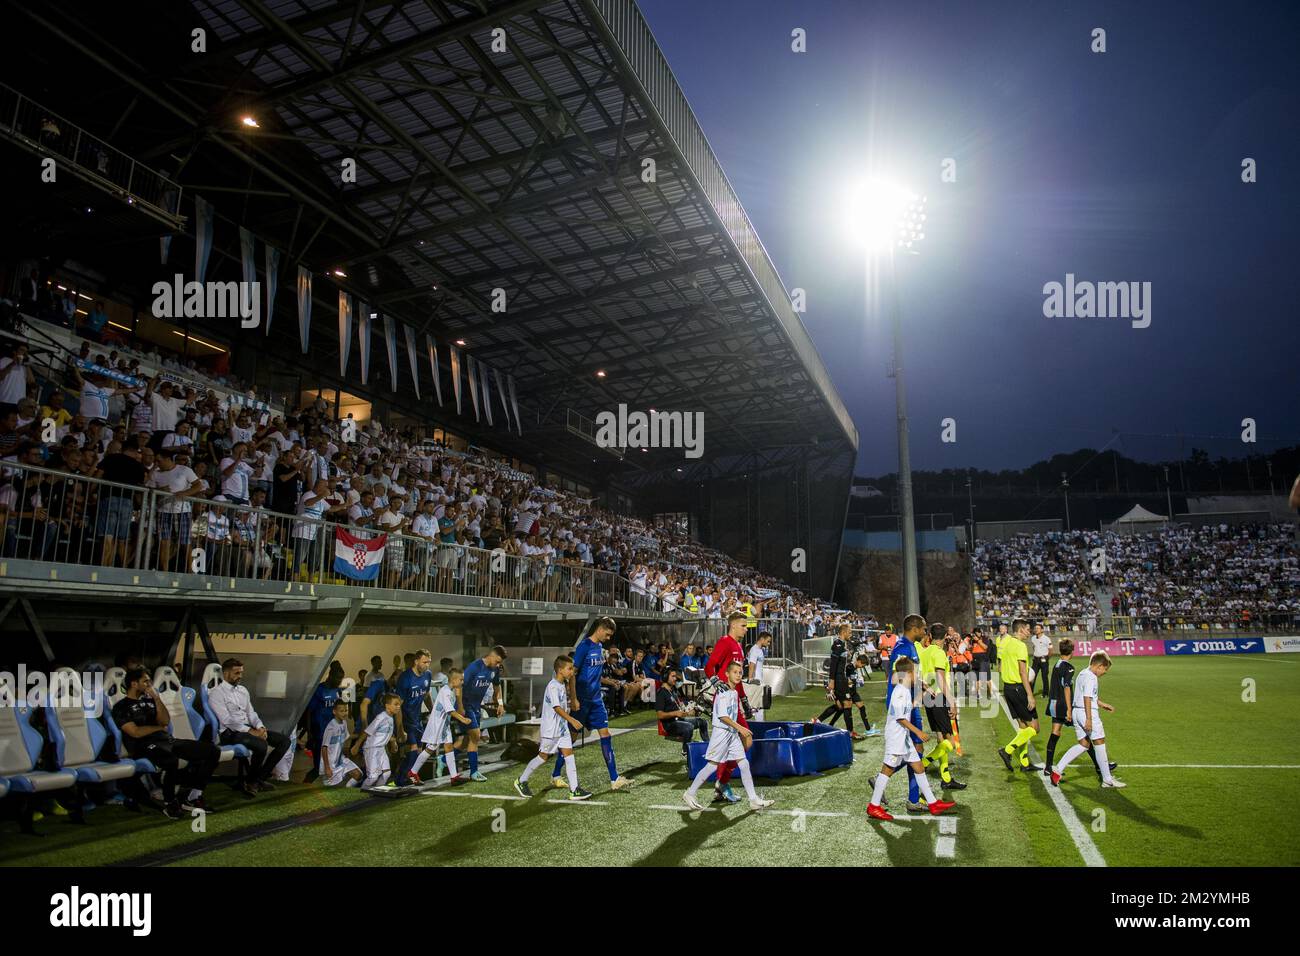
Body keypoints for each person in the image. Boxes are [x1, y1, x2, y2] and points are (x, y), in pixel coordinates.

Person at [111, 666, 221, 819]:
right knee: (170, 761)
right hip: (143, 746)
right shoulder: (121, 707)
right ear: (134, 684)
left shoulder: (151, 701)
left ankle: (193, 796)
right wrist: (157, 728)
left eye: (150, 681)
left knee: (213, 751)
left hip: (166, 740)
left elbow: (165, 721)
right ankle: (170, 803)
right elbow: (135, 732)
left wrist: (157, 698)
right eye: (146, 682)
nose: (149, 685)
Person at [866, 658, 956, 821]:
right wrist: (919, 733)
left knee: (919, 767)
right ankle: (874, 806)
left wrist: (924, 691)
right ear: (908, 674)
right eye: (914, 672)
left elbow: (912, 706)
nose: (917, 675)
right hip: (896, 737)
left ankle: (933, 803)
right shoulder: (900, 692)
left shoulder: (904, 690)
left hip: (904, 738)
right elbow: (901, 718)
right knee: (887, 770)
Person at [550, 617, 633, 791]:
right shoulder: (584, 647)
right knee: (570, 739)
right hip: (582, 702)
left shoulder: (599, 648)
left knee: (606, 735)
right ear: (601, 629)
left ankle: (614, 779)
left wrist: (608, 681)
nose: (609, 638)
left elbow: (594, 674)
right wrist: (573, 699)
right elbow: (573, 674)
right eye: (608, 634)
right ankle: (556, 774)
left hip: (596, 701)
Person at [682, 661, 773, 812]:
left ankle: (753, 800)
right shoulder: (723, 692)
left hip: (731, 734)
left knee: (744, 764)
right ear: (727, 674)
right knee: (712, 766)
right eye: (735, 672)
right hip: (722, 734)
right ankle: (690, 793)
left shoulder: (735, 692)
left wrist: (740, 725)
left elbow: (733, 714)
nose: (738, 675)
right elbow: (723, 717)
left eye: (740, 672)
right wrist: (741, 729)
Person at [513, 655, 593, 800]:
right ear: (560, 670)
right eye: (569, 669)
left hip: (561, 729)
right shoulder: (553, 686)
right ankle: (521, 780)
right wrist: (572, 720)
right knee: (542, 757)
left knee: (569, 756)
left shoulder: (562, 684)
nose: (572, 672)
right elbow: (556, 708)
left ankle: (574, 790)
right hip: (551, 730)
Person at [207, 658, 291, 794]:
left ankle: (257, 780)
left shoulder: (242, 690)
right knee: (261, 745)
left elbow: (250, 712)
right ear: (226, 673)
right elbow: (227, 720)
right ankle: (252, 782)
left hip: (248, 729)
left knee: (284, 742)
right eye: (236, 673)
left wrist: (260, 727)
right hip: (230, 733)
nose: (240, 676)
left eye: (241, 672)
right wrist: (251, 731)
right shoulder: (216, 693)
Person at [1050, 651, 1127, 789]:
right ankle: (1107, 780)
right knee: (1099, 742)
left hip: (1076, 712)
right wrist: (1089, 719)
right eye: (1105, 669)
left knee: (1083, 745)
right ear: (1099, 666)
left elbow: (1087, 696)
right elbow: (1087, 697)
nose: (1104, 672)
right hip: (1087, 713)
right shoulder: (1092, 677)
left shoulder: (1082, 673)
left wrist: (1103, 705)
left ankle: (1057, 770)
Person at [702, 610, 751, 802]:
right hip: (724, 703)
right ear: (732, 625)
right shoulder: (725, 642)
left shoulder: (738, 647)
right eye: (743, 625)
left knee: (741, 741)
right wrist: (715, 681)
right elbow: (710, 666)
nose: (746, 629)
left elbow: (737, 678)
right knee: (744, 739)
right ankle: (721, 783)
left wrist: (744, 699)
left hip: (733, 701)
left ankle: (721, 784)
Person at [886, 614, 927, 811]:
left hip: (911, 704)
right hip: (904, 706)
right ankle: (884, 778)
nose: (925, 632)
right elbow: (896, 677)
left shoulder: (910, 646)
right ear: (914, 628)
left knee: (915, 751)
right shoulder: (903, 647)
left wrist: (922, 685)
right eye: (923, 628)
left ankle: (914, 797)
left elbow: (909, 676)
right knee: (915, 751)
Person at [919, 623, 965, 792]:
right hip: (939, 697)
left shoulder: (924, 652)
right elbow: (940, 678)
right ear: (945, 636)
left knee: (941, 738)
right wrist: (951, 701)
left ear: (930, 635)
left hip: (928, 697)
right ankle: (922, 764)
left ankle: (946, 777)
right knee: (951, 741)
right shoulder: (939, 653)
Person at [408, 668, 471, 783]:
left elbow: (457, 709)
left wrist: (458, 696)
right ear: (454, 679)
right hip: (437, 725)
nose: (462, 682)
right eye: (461, 680)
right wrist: (463, 719)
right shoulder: (445, 691)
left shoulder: (451, 691)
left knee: (448, 746)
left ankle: (454, 777)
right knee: (431, 748)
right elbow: (450, 711)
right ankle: (413, 772)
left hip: (444, 725)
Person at [997, 619, 1041, 773]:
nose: (1030, 632)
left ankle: (1025, 763)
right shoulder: (1020, 646)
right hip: (1018, 688)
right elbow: (1023, 672)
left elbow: (1000, 667)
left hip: (1008, 689)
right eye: (1028, 629)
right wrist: (1030, 695)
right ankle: (1007, 750)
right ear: (1021, 629)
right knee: (1034, 728)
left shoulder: (1006, 643)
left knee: (1023, 727)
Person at [458, 645, 507, 782]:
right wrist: (460, 708)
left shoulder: (494, 669)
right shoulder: (474, 667)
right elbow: (460, 688)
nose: (498, 665)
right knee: (476, 735)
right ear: (491, 656)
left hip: (477, 706)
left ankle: (443, 759)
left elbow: (497, 687)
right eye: (497, 661)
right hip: (466, 705)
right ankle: (474, 772)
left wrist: (500, 704)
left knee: (466, 741)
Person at [393, 649, 433, 782]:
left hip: (417, 719)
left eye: (429, 662)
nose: (427, 665)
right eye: (424, 662)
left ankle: (410, 776)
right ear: (416, 661)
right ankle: (400, 780)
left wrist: (433, 712)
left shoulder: (427, 675)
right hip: (406, 719)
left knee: (419, 751)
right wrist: (400, 729)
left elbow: (427, 695)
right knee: (413, 750)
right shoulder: (405, 678)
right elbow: (398, 705)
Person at [352, 692, 401, 788]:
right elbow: (367, 732)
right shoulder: (381, 717)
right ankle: (362, 793)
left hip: (381, 749)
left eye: (399, 704)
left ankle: (377, 791)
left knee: (386, 774)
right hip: (372, 748)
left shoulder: (391, 718)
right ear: (387, 706)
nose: (398, 707)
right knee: (373, 777)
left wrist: (394, 742)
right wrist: (357, 745)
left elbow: (386, 733)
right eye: (396, 704)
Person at [656, 667, 707, 757]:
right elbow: (660, 715)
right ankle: (686, 750)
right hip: (669, 724)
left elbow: (680, 706)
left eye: (675, 676)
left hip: (679, 719)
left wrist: (690, 711)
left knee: (702, 722)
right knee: (689, 727)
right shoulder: (661, 693)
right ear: (665, 677)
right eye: (673, 676)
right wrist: (675, 713)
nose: (675, 678)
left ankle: (708, 746)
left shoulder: (673, 690)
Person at [319, 699, 362, 787]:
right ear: (334, 711)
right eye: (341, 711)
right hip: (330, 763)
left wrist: (362, 735)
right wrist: (327, 768)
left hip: (340, 759)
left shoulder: (344, 723)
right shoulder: (331, 727)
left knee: (358, 774)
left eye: (346, 710)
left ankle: (347, 789)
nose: (344, 713)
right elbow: (324, 747)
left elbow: (347, 736)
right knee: (331, 789)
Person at [746, 631, 770, 721]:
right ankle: (759, 725)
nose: (769, 643)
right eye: (768, 641)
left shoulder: (759, 650)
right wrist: (750, 680)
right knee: (758, 706)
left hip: (759, 680)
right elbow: (752, 665)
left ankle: (759, 723)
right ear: (762, 639)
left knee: (759, 706)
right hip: (755, 681)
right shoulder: (755, 649)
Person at [1030, 623, 1052, 697]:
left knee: (1044, 677)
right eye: (1035, 628)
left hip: (1043, 659)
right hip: (1035, 660)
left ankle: (1045, 693)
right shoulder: (1033, 638)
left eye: (1038, 628)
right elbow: (1034, 647)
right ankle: (1030, 693)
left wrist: (1046, 658)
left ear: (1042, 630)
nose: (1036, 630)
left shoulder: (1046, 639)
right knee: (1032, 676)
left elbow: (1051, 649)